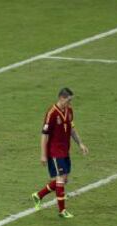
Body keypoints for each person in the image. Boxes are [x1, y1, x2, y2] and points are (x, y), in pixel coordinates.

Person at [32, 88, 89, 218]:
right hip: (54, 150)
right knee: (61, 178)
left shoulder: (69, 111)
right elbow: (44, 135)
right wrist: (43, 154)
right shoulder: (51, 113)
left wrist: (80, 143)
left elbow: (72, 129)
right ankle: (62, 211)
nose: (70, 103)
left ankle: (38, 195)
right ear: (61, 98)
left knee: (64, 179)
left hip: (65, 150)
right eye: (69, 100)